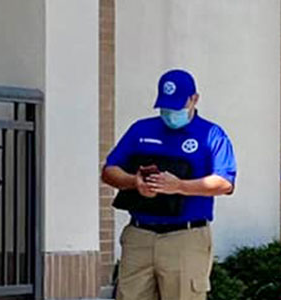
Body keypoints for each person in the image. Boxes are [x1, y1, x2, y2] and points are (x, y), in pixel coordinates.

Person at [101, 69, 238, 300]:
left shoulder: (211, 134)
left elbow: (225, 182)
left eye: (177, 106)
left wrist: (180, 186)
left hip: (185, 236)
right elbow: (110, 170)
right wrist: (134, 182)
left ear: (194, 99)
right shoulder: (141, 130)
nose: (170, 113)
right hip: (140, 234)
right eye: (165, 107)